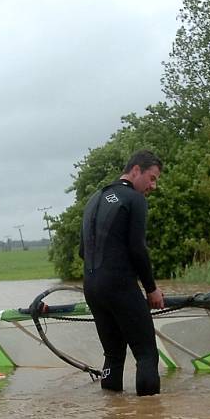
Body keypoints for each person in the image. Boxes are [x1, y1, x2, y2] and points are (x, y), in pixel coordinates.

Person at [79, 149, 165, 396]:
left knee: (113, 355)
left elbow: (83, 251)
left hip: (92, 287)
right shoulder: (134, 199)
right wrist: (151, 288)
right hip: (119, 285)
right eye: (152, 177)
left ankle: (115, 418)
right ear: (135, 170)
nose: (153, 185)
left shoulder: (94, 199)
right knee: (146, 353)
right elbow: (138, 249)